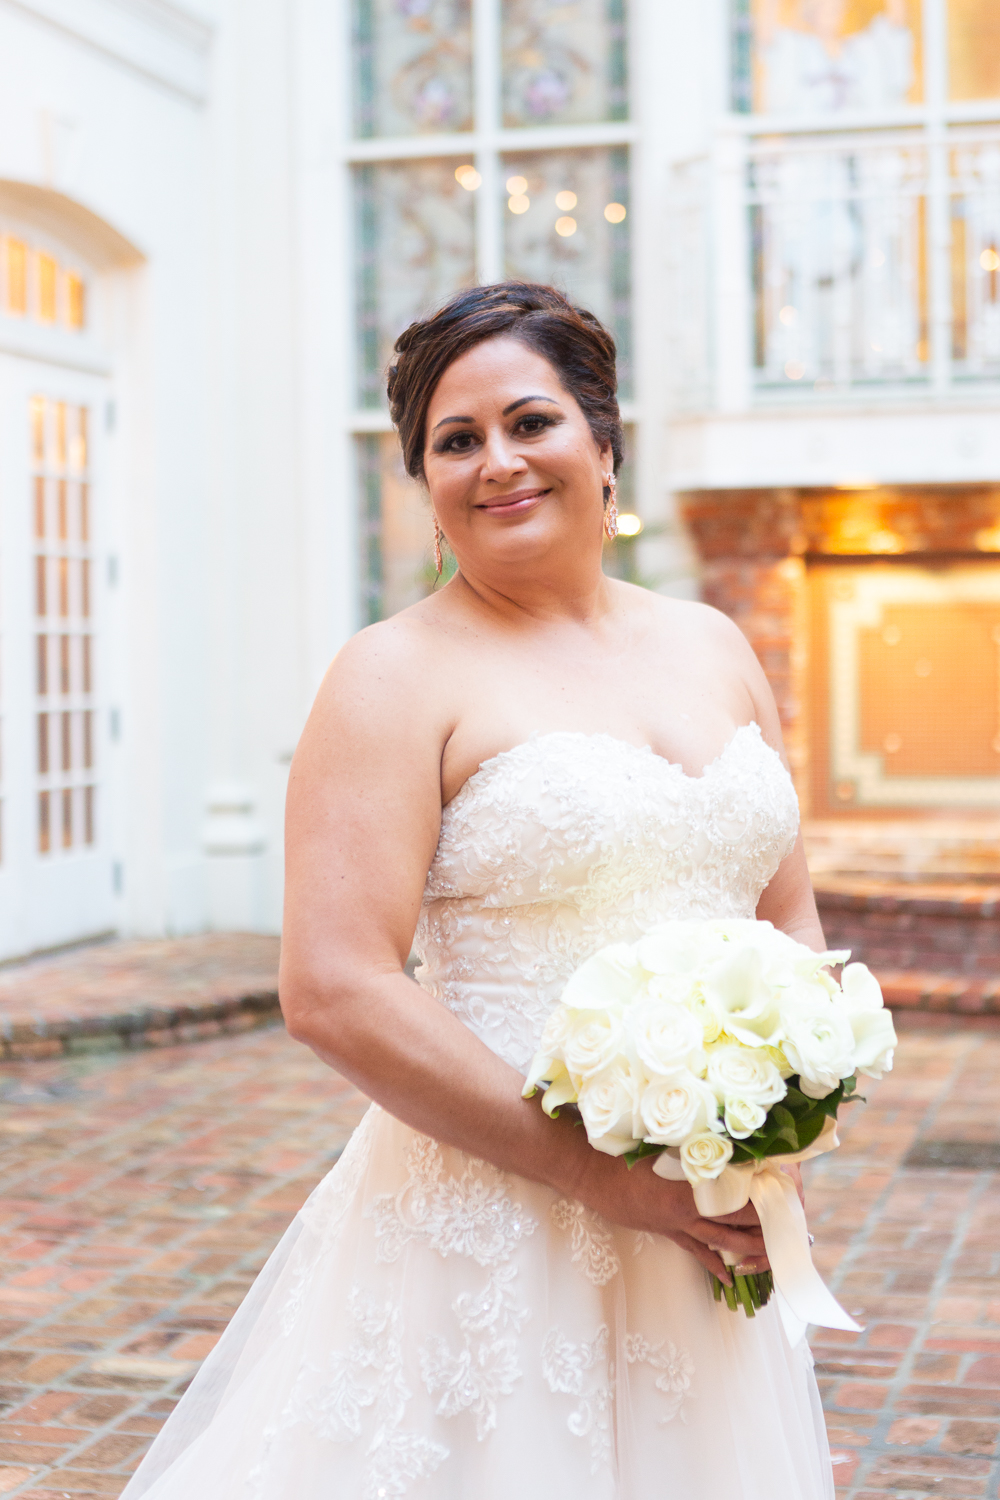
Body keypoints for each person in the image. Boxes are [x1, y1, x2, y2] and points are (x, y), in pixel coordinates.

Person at [122, 282, 834, 1498]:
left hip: (707, 1206)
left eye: (529, 422)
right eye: (455, 443)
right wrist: (595, 1174)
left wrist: (786, 1122)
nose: (496, 461)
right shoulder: (392, 677)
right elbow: (336, 988)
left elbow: (782, 912)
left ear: (603, 446)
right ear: (429, 494)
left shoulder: (713, 642)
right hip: (497, 1222)